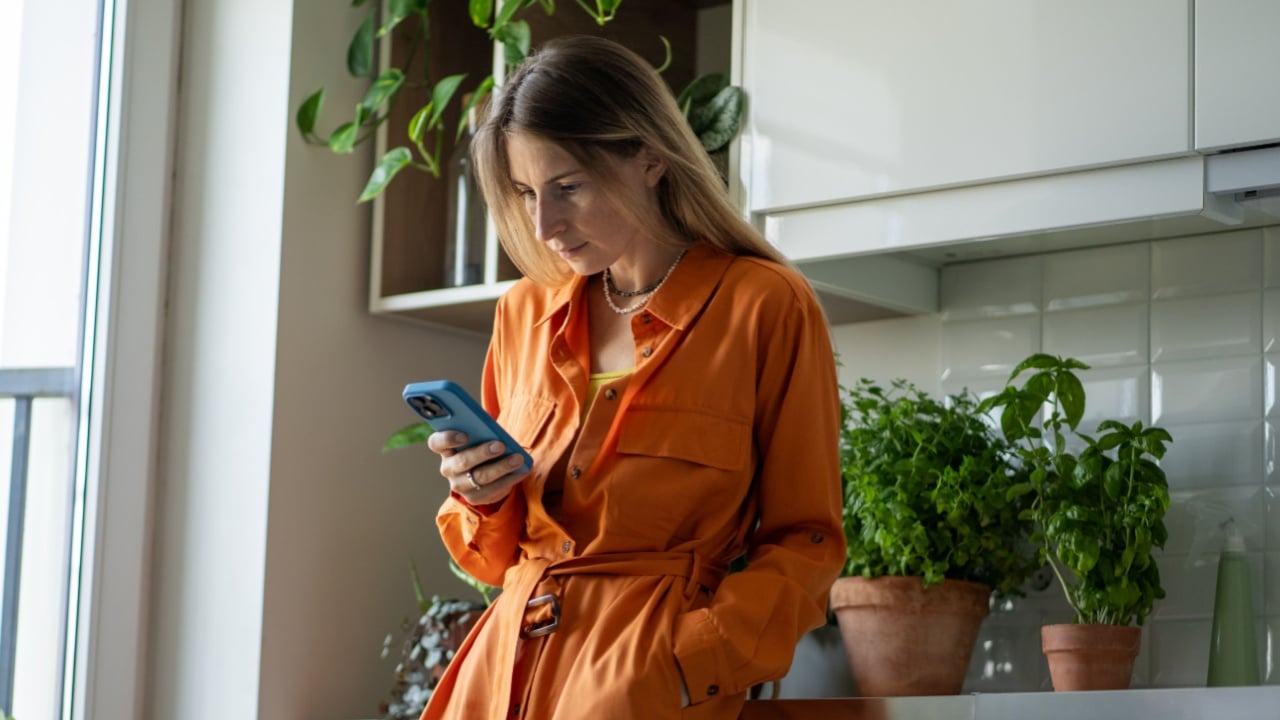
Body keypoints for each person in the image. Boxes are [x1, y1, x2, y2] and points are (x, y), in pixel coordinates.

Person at [422, 35, 845, 720]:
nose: (545, 224)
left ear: (649, 156)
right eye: (527, 193)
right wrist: (479, 494)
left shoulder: (763, 305)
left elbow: (808, 541)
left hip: (644, 683)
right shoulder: (523, 312)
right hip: (498, 682)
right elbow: (494, 560)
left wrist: (691, 665)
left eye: (568, 187)